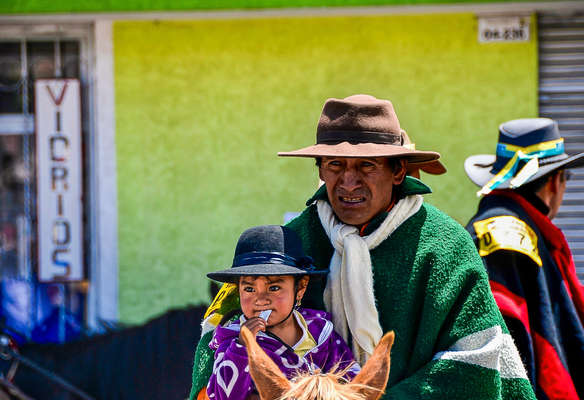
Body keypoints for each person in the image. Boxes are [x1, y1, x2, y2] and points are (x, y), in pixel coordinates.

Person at [190, 95, 535, 400]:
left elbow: (476, 363)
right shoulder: (293, 243)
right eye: (335, 165)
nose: (348, 182)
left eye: (366, 166)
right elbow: (219, 330)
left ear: (398, 170)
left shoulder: (445, 246)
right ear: (321, 171)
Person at [464, 118, 584, 399]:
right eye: (566, 177)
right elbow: (512, 340)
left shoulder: (520, 227)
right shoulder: (506, 234)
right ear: (553, 182)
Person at [205, 225, 359, 400]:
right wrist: (242, 346)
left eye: (274, 287)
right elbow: (223, 396)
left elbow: (351, 384)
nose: (261, 299)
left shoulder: (320, 332)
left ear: (300, 287)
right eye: (249, 289)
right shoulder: (232, 343)